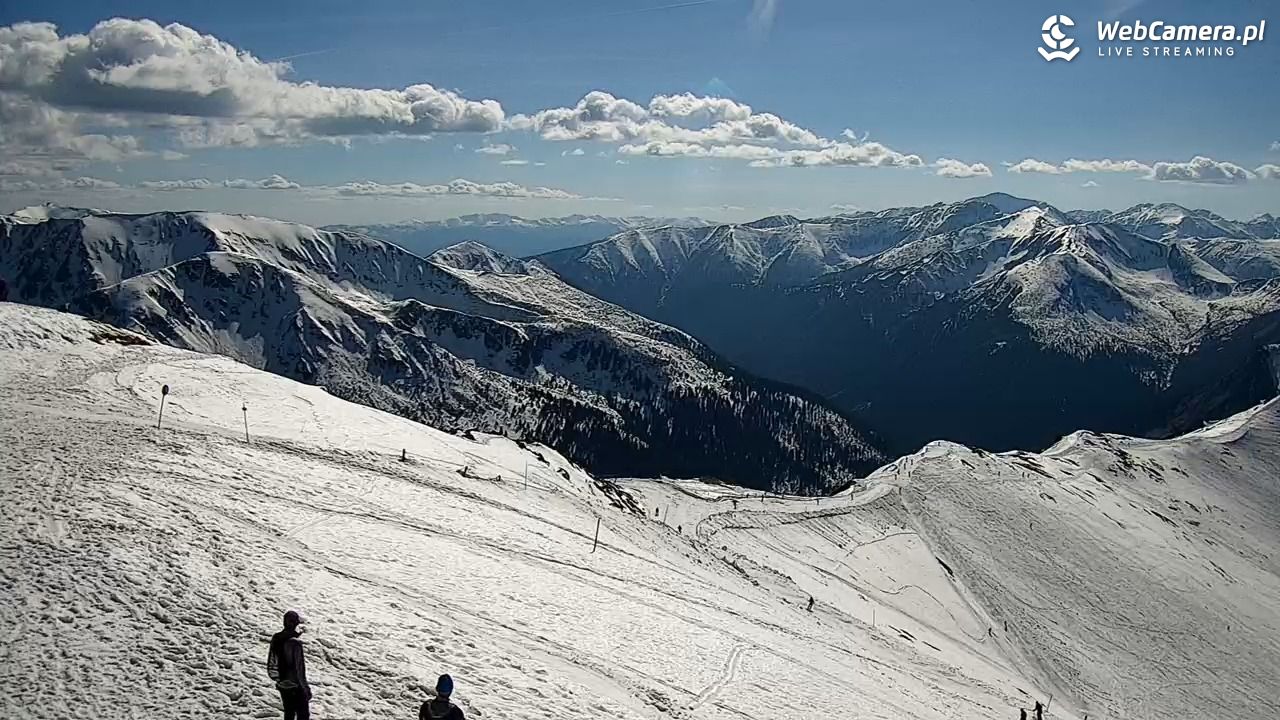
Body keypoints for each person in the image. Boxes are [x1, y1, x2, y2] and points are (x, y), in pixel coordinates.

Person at [267, 610, 311, 720]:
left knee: (289, 714)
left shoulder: (276, 638)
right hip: (296, 685)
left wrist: (279, 680)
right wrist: (305, 688)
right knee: (303, 715)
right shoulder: (294, 643)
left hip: (283, 684)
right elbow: (299, 669)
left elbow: (272, 662)